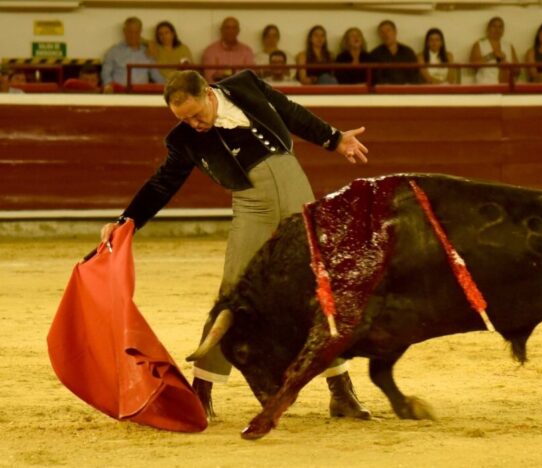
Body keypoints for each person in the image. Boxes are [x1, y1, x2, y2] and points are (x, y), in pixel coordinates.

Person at [98, 69, 371, 421]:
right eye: (184, 119)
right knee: (233, 295)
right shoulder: (184, 140)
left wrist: (334, 139)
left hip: (298, 196)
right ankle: (202, 391)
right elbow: (162, 184)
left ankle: (341, 391)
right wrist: (127, 221)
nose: (194, 124)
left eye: (197, 114)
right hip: (253, 207)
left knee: (318, 290)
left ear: (209, 94)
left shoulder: (245, 86)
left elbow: (290, 112)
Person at [101, 16, 164, 92]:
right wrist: (109, 87)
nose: (133, 35)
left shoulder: (148, 52)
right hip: (119, 93)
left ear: (140, 32)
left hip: (142, 94)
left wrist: (169, 87)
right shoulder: (113, 52)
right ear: (124, 31)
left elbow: (156, 75)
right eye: (130, 32)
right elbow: (106, 73)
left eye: (136, 32)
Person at [201, 17, 254, 83]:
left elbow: (250, 77)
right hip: (218, 88)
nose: (231, 31)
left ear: (238, 30)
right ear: (221, 30)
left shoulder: (247, 51)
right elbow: (210, 78)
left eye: (234, 28)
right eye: (227, 28)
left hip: (241, 88)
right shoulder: (210, 51)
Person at [469, 16, 520, 84]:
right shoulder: (479, 44)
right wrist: (491, 56)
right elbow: (473, 66)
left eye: (500, 27)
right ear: (488, 29)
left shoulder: (509, 46)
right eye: (494, 26)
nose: (497, 30)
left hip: (506, 84)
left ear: (503, 30)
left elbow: (517, 70)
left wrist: (507, 65)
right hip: (485, 83)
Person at [369, 20, 420, 84]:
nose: (385, 34)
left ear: (395, 32)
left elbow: (415, 74)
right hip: (385, 89)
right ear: (379, 35)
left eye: (388, 30)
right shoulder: (374, 54)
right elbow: (375, 77)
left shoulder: (408, 52)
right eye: (382, 32)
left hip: (407, 88)